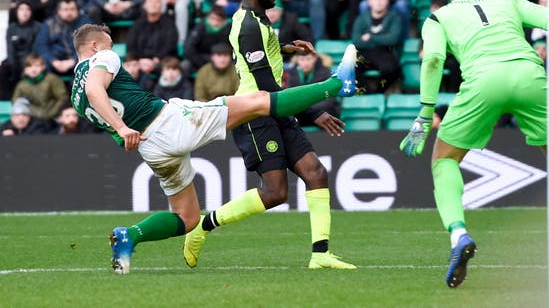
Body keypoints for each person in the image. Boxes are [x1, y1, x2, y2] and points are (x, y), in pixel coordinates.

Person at [69, 16, 357, 274]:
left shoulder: (74, 96)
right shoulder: (102, 60)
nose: (112, 50)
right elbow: (98, 91)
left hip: (151, 147)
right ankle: (336, 84)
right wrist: (122, 127)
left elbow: (107, 116)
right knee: (257, 101)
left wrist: (123, 131)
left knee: (188, 218)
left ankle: (129, 236)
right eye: (108, 45)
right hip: (168, 124)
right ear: (94, 46)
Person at [399, 0, 549, 287]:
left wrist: (424, 112)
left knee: (444, 159)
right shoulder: (509, 1)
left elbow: (432, 59)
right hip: (530, 76)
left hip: (483, 83)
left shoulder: (438, 16)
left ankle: (458, 234)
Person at [183, 0, 356, 272]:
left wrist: (286, 48)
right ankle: (203, 226)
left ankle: (320, 255)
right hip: (255, 113)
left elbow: (259, 59)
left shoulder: (258, 22)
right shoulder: (249, 26)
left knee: (316, 172)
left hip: (272, 106)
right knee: (275, 193)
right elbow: (264, 84)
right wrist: (312, 111)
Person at [352, 0, 403, 93]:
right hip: (365, 54)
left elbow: (393, 39)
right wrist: (382, 39)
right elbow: (356, 41)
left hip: (384, 53)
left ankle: (378, 92)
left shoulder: (394, 18)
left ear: (387, 0)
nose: (379, 2)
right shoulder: (362, 18)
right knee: (350, 67)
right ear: (369, 1)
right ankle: (368, 93)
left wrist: (370, 37)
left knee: (392, 69)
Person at [126, 0, 179, 80]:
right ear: (145, 5)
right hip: (140, 61)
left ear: (161, 6)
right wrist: (141, 60)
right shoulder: (138, 24)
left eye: (157, 2)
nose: (153, 4)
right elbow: (131, 45)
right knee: (130, 69)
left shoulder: (169, 24)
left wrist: (155, 60)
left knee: (168, 69)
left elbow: (170, 45)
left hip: (161, 61)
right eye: (150, 1)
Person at [35, 0, 91, 77]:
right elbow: (41, 45)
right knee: (42, 64)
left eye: (72, 9)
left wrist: (73, 60)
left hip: (77, 59)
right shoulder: (49, 24)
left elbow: (88, 44)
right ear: (59, 11)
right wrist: (53, 61)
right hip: (55, 61)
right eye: (65, 10)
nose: (69, 12)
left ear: (77, 10)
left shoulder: (85, 23)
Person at [285, 52, 341, 127]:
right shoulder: (292, 73)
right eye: (302, 59)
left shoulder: (325, 72)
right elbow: (290, 97)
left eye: (308, 59)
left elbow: (328, 101)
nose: (306, 63)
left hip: (322, 111)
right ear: (297, 60)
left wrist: (305, 108)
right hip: (303, 114)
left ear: (315, 59)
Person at [12, 53, 67, 128]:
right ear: (25, 69)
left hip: (54, 118)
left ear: (43, 67)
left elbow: (62, 98)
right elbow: (16, 101)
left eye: (37, 66)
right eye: (29, 66)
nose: (33, 69)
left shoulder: (52, 79)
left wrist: (51, 113)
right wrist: (30, 112)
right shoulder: (22, 84)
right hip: (32, 120)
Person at [0, 1, 41, 99]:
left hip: (31, 60)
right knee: (3, 68)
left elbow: (35, 49)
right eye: (21, 9)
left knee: (31, 68)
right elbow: (10, 49)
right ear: (16, 12)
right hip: (14, 60)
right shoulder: (12, 28)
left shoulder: (38, 27)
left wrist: (27, 64)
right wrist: (14, 65)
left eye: (28, 9)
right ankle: (6, 98)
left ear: (31, 12)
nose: (24, 12)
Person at [183, 5, 232, 75]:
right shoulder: (201, 26)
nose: (214, 23)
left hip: (221, 59)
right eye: (212, 18)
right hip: (200, 58)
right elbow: (189, 47)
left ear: (223, 20)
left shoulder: (228, 29)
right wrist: (200, 62)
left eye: (218, 19)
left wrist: (220, 59)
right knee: (185, 65)